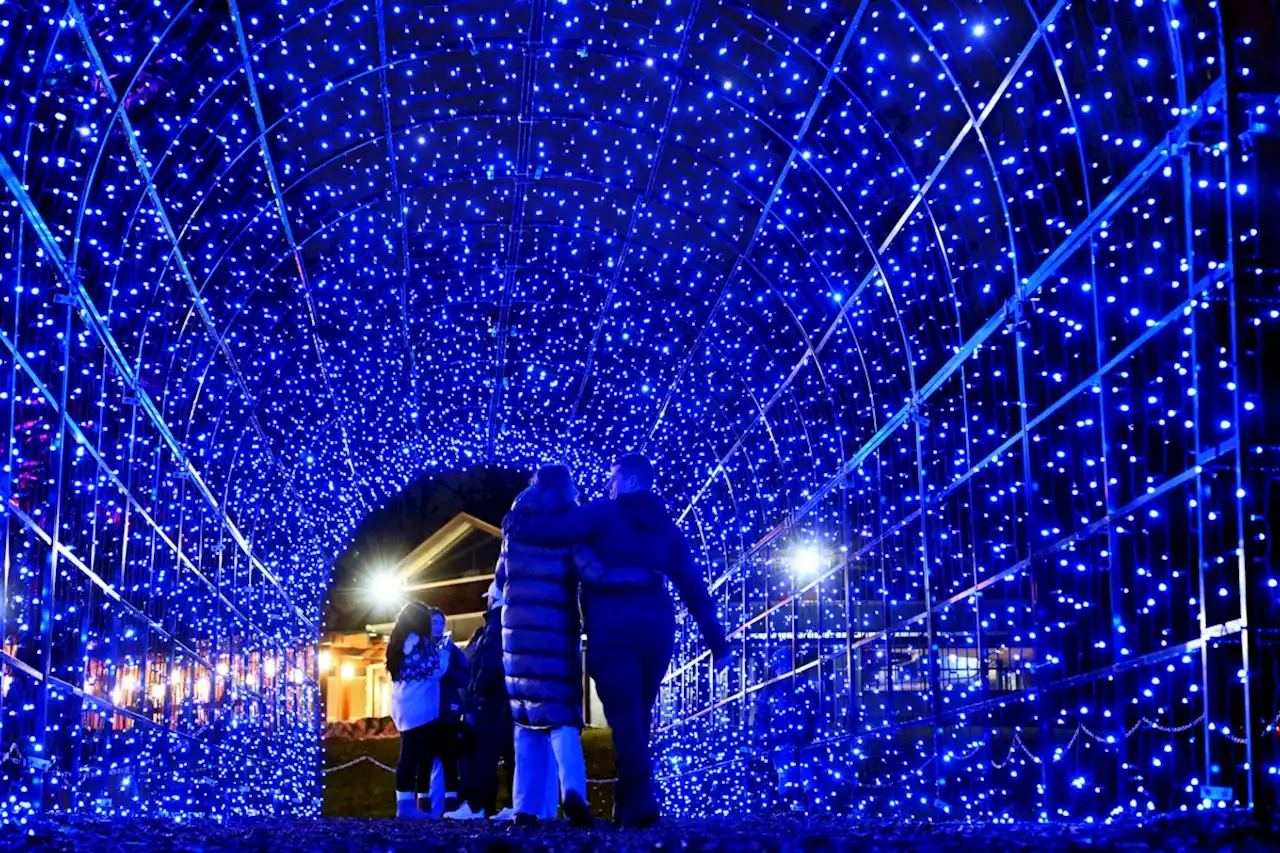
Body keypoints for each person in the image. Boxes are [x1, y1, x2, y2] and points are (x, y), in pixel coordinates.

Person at [508, 453, 734, 828]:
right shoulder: (667, 527)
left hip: (614, 632)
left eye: (613, 477)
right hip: (658, 629)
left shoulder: (602, 513)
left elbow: (548, 531)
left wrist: (517, 516)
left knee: (627, 716)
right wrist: (718, 642)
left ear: (628, 480)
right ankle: (626, 806)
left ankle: (641, 801)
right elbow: (693, 584)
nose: (609, 484)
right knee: (639, 715)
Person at [497, 464, 594, 828]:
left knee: (525, 718)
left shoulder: (515, 524)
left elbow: (501, 577)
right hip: (555, 632)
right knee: (560, 716)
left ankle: (526, 807)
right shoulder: (573, 524)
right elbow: (588, 570)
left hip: (516, 634)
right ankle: (573, 792)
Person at [444, 582, 516, 821]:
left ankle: (478, 807)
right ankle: (512, 805)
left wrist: (479, 689)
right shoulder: (514, 621)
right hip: (510, 701)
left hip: (493, 701)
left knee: (485, 756)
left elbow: (490, 664)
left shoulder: (496, 623)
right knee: (511, 757)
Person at [387, 601, 451, 819]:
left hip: (402, 705)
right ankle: (405, 807)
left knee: (409, 755)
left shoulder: (397, 642)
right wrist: (445, 652)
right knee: (410, 757)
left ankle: (406, 804)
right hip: (419, 708)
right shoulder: (420, 643)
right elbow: (436, 670)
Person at [434, 608, 471, 815]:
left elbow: (464, 675)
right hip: (426, 713)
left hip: (447, 712)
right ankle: (430, 807)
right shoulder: (422, 647)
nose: (436, 626)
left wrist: (445, 671)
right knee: (429, 761)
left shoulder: (451, 648)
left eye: (440, 622)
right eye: (432, 622)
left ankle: (447, 806)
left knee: (448, 760)